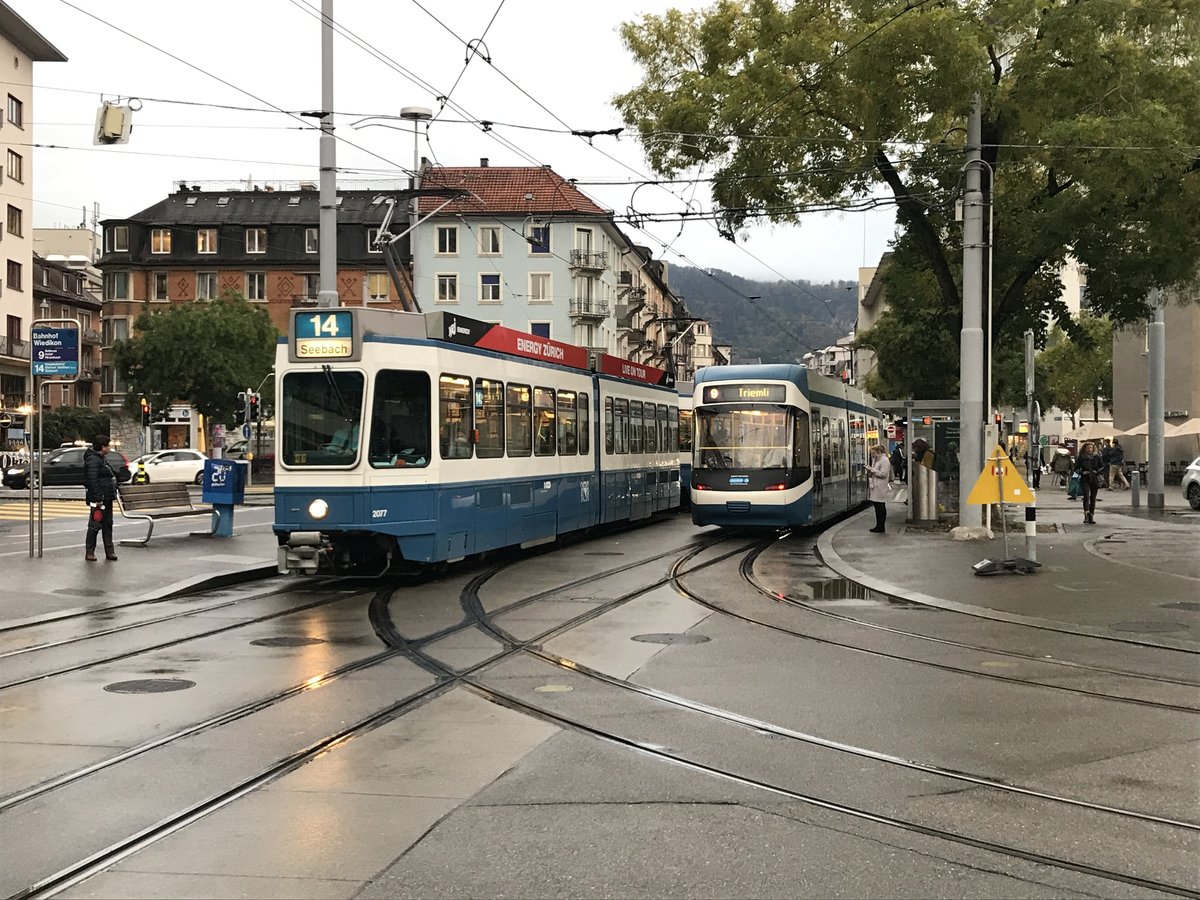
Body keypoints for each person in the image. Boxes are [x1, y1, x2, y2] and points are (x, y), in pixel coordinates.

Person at [83, 434, 119, 562]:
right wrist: (97, 497)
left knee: (107, 524)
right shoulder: (93, 460)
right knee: (95, 524)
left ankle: (110, 551)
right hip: (99, 499)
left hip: (107, 497)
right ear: (102, 447)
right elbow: (92, 480)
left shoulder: (101, 459)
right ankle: (90, 552)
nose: (109, 448)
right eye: (108, 446)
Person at [1074, 440, 1105, 524]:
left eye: (1091, 447)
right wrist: (1082, 472)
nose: (1089, 449)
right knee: (1086, 495)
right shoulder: (1081, 457)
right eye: (1088, 448)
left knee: (1093, 498)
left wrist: (1097, 472)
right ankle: (1086, 514)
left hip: (1094, 478)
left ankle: (1091, 515)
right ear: (1085, 449)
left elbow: (1102, 467)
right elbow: (1076, 468)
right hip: (1085, 478)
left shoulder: (1097, 457)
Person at [865, 444, 891, 533]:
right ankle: (879, 525)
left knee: (880, 506)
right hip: (876, 486)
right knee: (878, 506)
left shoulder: (884, 461)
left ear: (879, 452)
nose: (872, 455)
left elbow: (883, 474)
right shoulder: (877, 460)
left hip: (880, 486)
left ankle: (881, 526)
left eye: (873, 453)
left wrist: (872, 470)